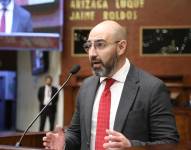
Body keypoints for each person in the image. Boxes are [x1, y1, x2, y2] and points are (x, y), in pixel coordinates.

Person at [43, 20, 179, 150]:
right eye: (88, 46)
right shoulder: (87, 87)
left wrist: (132, 146)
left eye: (100, 45)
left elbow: (169, 142)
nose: (92, 53)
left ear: (121, 47)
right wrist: (64, 143)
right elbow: (77, 133)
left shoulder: (152, 88)